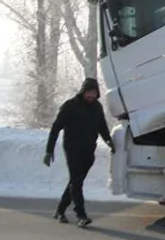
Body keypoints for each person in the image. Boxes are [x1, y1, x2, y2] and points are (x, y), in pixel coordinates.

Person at [45, 77, 114, 228]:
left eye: (94, 93)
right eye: (88, 92)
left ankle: (60, 210)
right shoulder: (70, 106)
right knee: (76, 181)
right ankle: (81, 215)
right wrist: (49, 150)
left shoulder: (97, 107)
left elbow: (102, 127)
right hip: (72, 148)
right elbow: (56, 128)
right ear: (83, 92)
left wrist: (109, 141)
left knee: (75, 182)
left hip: (89, 149)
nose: (91, 95)